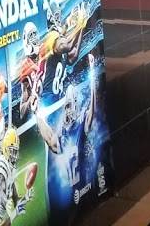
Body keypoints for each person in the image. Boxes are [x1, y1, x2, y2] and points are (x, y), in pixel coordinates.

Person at [35, 54, 100, 221]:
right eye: (66, 106)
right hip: (73, 193)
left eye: (70, 105)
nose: (68, 110)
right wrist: (37, 114)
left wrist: (93, 74)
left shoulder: (80, 125)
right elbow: (50, 139)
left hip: (84, 187)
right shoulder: (62, 134)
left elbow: (92, 110)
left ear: (76, 105)